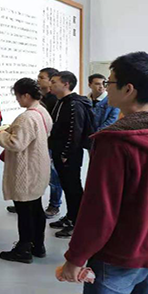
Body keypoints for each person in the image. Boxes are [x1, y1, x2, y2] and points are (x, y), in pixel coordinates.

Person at [58, 52, 148, 294]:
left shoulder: (115, 143)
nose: (106, 87)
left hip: (119, 255)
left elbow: (99, 209)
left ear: (128, 89)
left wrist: (75, 258)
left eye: (109, 82)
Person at [0, 78, 53, 264]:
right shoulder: (42, 111)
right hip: (38, 166)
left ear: (26, 95)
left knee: (25, 211)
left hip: (26, 169)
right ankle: (38, 245)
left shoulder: (26, 117)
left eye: (18, 96)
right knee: (36, 208)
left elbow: (15, 143)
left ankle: (23, 249)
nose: (17, 100)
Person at [48, 71, 93, 238]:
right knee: (67, 186)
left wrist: (66, 152)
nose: (51, 85)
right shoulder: (62, 102)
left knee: (73, 187)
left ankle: (77, 222)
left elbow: (75, 131)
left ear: (66, 84)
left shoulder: (74, 104)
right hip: (60, 151)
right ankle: (71, 216)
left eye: (54, 82)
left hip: (69, 154)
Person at [37, 67, 62, 219]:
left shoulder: (54, 100)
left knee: (53, 175)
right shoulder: (41, 97)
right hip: (42, 141)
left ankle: (54, 204)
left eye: (42, 77)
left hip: (51, 142)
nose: (38, 80)